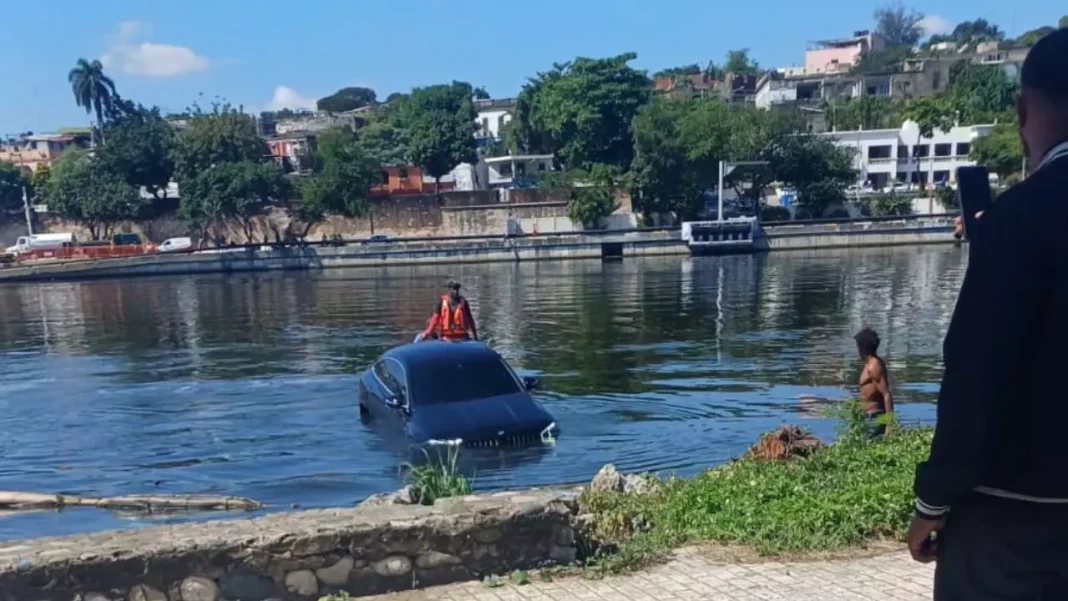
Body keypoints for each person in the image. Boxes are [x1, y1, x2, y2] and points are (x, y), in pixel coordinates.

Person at [908, 28, 1068, 600]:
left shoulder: (1016, 221)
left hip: (1010, 518)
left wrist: (933, 501)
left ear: (1024, 110)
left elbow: (977, 377)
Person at [854, 328, 893, 438]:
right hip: (868, 416)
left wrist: (889, 425)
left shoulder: (874, 367)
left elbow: (886, 394)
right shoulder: (871, 364)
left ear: (862, 348)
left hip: (874, 417)